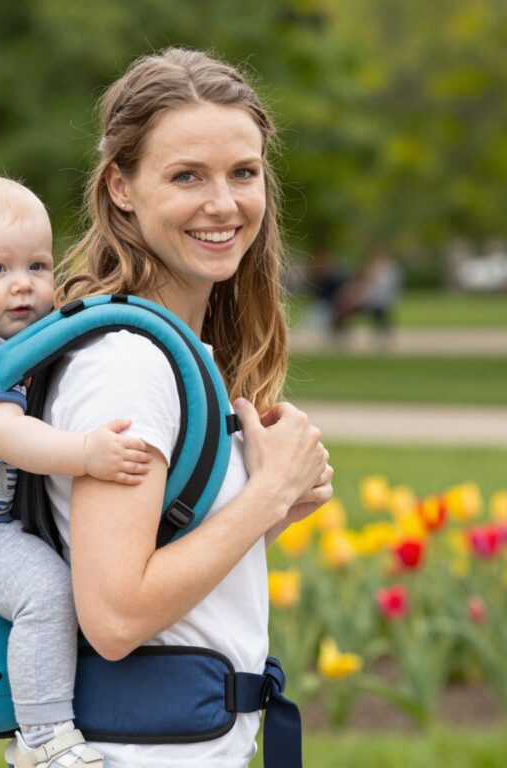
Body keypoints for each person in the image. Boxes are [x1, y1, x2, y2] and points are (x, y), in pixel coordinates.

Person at [45, 48, 334, 768]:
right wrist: (264, 497)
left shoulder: (168, 348)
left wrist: (275, 506)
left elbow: (161, 571)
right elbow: (114, 617)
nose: (223, 204)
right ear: (121, 186)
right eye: (186, 177)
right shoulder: (129, 365)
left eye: (243, 172)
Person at [0, 174, 154, 768]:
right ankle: (44, 736)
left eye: (38, 266)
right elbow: (2, 435)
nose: (23, 284)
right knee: (46, 591)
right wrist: (87, 454)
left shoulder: (3, 341)